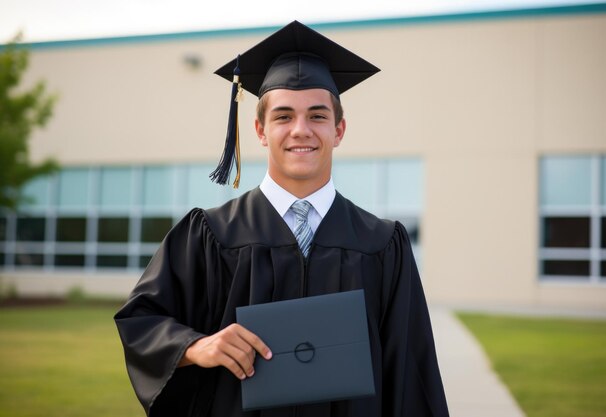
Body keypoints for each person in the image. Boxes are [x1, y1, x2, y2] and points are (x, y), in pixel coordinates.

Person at [115, 21, 449, 417]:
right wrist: (193, 346)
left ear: (339, 130)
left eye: (318, 116)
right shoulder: (210, 233)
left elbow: (411, 372)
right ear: (260, 130)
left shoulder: (381, 243)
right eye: (284, 116)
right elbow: (141, 321)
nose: (301, 130)